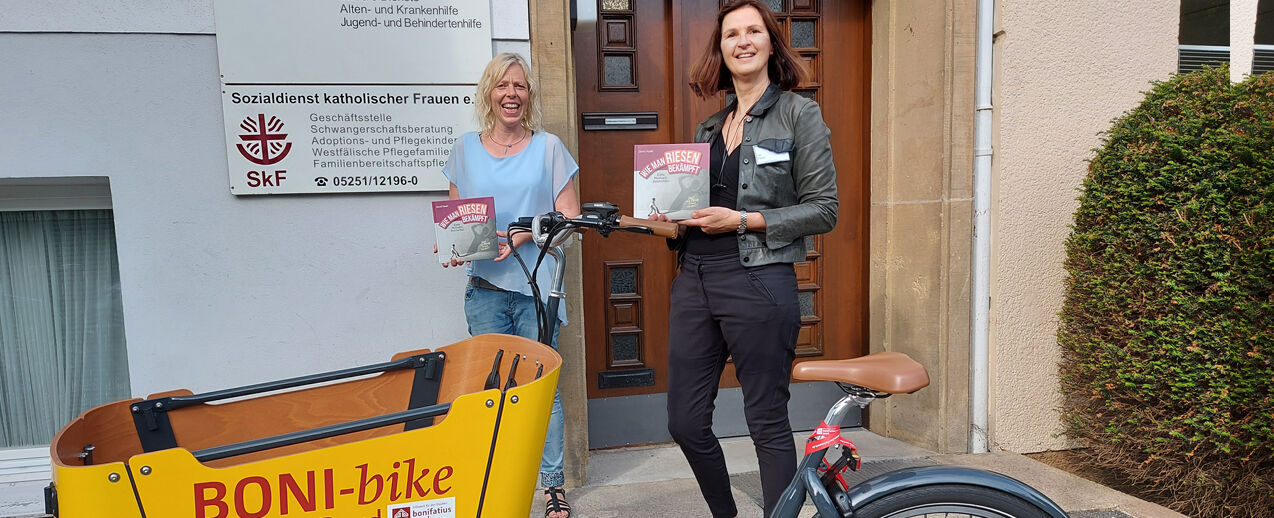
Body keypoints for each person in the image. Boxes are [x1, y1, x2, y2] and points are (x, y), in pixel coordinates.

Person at [660, 1, 838, 516]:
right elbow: (691, 209)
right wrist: (665, 222)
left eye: (753, 31)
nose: (742, 41)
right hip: (694, 277)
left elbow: (824, 209)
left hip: (759, 279)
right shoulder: (707, 128)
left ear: (770, 44)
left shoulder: (799, 114)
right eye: (731, 33)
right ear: (720, 49)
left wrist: (743, 220)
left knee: (766, 420)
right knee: (685, 422)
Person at [438, 52, 580, 518]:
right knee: (489, 389)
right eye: (503, 86)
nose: (512, 94)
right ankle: (497, 478)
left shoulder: (549, 148)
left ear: (529, 95)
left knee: (543, 389)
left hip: (536, 290)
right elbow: (458, 219)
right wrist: (453, 246)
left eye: (520, 86)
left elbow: (571, 223)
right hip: (484, 289)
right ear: (489, 93)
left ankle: (553, 487)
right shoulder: (464, 149)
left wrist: (528, 232)